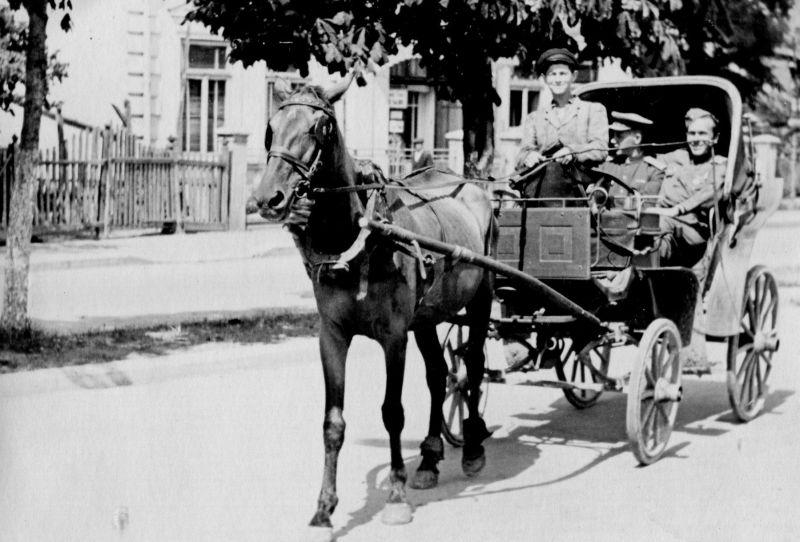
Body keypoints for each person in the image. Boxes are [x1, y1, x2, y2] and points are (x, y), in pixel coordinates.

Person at [514, 48, 608, 201]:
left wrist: (572, 151)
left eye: (563, 74)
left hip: (582, 193)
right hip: (539, 193)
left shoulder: (593, 110)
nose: (558, 79)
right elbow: (522, 154)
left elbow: (601, 149)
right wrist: (528, 156)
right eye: (552, 74)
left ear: (574, 76)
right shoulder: (534, 117)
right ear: (545, 79)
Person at [647, 107, 727, 266]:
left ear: (715, 138)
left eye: (702, 134)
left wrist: (676, 210)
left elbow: (710, 192)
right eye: (692, 133)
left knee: (656, 224)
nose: (696, 139)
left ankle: (646, 272)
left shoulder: (719, 165)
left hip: (695, 231)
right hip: (665, 223)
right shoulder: (677, 156)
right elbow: (647, 160)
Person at [596, 111, 664, 199]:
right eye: (613, 135)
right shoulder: (608, 166)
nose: (613, 140)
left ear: (637, 138)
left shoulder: (653, 171)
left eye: (619, 135)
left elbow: (646, 205)